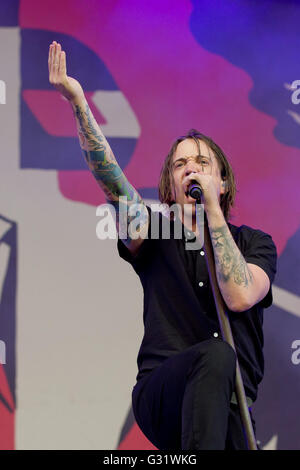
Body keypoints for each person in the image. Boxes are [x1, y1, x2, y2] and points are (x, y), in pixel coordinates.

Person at [48, 41, 277, 450]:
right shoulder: (154, 233)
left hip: (230, 408)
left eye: (202, 163)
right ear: (171, 186)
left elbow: (240, 295)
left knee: (222, 366)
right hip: (164, 394)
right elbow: (113, 183)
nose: (191, 167)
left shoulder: (255, 244)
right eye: (180, 164)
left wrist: (213, 214)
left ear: (221, 182)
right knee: (217, 355)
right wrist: (79, 102)